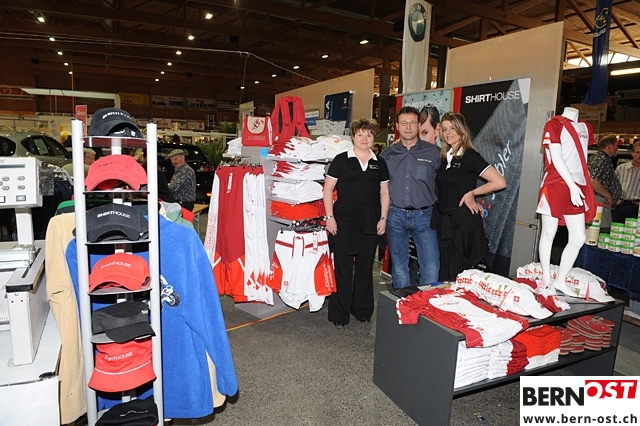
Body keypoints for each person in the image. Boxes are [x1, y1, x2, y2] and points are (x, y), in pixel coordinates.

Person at [323, 118, 389, 328]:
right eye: (360, 134)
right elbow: (327, 189)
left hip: (370, 220)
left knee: (365, 266)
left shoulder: (379, 162)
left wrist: (383, 218)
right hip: (344, 220)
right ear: (353, 137)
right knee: (342, 267)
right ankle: (339, 314)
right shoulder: (341, 160)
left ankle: (362, 310)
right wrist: (330, 217)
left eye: (369, 134)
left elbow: (384, 193)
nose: (364, 138)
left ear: (373, 138)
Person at [432, 112, 506, 281]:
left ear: (462, 130)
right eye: (445, 129)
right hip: (444, 223)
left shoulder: (470, 156)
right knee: (444, 274)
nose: (448, 132)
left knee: (458, 276)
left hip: (462, 225)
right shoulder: (446, 157)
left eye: (453, 128)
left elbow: (499, 182)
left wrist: (472, 193)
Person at [380, 106, 441, 288]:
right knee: (399, 267)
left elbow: (448, 180)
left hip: (425, 217)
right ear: (397, 126)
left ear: (418, 125)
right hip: (395, 216)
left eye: (412, 123)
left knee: (431, 267)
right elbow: (379, 186)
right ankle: (404, 303)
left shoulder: (434, 152)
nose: (408, 127)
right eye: (404, 123)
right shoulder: (387, 154)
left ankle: (427, 304)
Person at [536, 107, 595, 292]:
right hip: (556, 183)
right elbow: (556, 157)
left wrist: (577, 186)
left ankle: (561, 280)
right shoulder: (554, 124)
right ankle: (546, 279)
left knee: (579, 237)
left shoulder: (587, 128)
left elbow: (581, 157)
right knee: (549, 233)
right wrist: (571, 185)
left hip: (578, 184)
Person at [587, 134, 621, 228]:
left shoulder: (594, 157)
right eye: (616, 146)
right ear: (609, 146)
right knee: (602, 229)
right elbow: (593, 181)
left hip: (596, 198)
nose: (617, 149)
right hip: (599, 200)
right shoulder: (602, 159)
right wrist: (608, 196)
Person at [612, 140, 640, 223]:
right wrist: (615, 200)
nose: (639, 155)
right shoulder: (621, 168)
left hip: (637, 206)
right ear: (632, 153)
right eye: (637, 152)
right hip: (621, 204)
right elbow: (612, 185)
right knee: (616, 229)